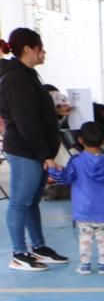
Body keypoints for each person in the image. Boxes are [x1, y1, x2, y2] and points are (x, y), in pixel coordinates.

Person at [0, 28, 69, 271]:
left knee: (31, 201)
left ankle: (38, 247)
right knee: (20, 201)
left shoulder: (28, 75)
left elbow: (35, 111)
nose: (44, 52)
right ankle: (19, 253)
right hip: (24, 149)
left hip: (35, 149)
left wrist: (55, 113)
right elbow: (25, 120)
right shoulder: (15, 78)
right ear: (28, 48)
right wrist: (45, 154)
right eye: (40, 47)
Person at [47, 121, 104, 275]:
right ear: (103, 140)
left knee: (85, 238)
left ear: (80, 140)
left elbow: (65, 179)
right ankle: (103, 265)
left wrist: (53, 169)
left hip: (83, 209)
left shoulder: (76, 161)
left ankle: (85, 265)